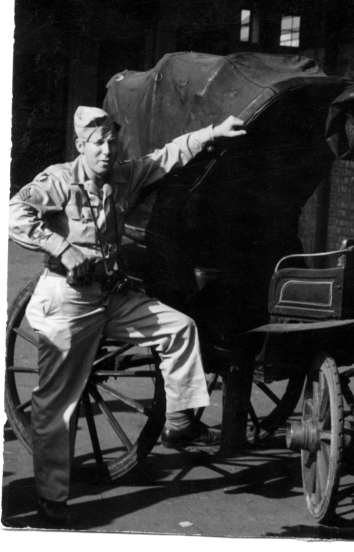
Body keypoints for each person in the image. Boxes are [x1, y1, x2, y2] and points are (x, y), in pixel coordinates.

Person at [8, 106, 247, 525]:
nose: (106, 151)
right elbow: (14, 213)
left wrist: (213, 132)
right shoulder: (60, 179)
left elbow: (168, 155)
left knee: (180, 328)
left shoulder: (123, 174)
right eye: (97, 143)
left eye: (111, 142)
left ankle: (178, 421)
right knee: (55, 407)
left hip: (109, 297)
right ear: (81, 145)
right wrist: (61, 247)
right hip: (68, 300)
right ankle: (52, 502)